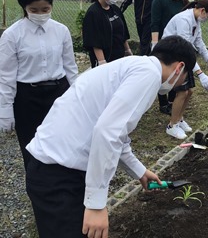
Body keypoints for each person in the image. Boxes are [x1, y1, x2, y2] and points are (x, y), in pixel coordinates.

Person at [25, 35, 196, 238]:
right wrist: (96, 205)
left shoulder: (136, 66)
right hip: (58, 176)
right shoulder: (149, 75)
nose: (178, 85)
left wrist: (139, 171)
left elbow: (116, 133)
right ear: (179, 67)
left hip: (53, 168)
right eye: (184, 78)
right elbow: (107, 133)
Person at [0, 0, 78, 168]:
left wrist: (78, 95)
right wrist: (5, 109)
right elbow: (6, 75)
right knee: (31, 146)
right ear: (25, 8)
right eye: (34, 10)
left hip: (58, 93)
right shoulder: (12, 35)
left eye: (45, 9)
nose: (41, 14)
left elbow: (70, 67)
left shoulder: (61, 31)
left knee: (61, 143)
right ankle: (38, 190)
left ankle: (62, 186)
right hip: (27, 97)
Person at [161, 0, 208, 139]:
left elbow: (199, 41)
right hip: (171, 57)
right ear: (203, 11)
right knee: (182, 92)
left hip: (182, 57)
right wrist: (200, 73)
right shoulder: (184, 20)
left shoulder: (195, 20)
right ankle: (172, 125)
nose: (207, 18)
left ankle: (179, 119)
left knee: (189, 92)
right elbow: (184, 49)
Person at [150, 0, 190, 115]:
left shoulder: (183, 2)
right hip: (163, 43)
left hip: (177, 44)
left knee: (176, 72)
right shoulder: (160, 0)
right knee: (163, 72)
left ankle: (173, 101)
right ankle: (163, 103)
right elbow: (154, 23)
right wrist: (155, 43)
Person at [83, 0, 132, 68]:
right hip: (105, 59)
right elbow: (94, 41)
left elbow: (123, 31)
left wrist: (127, 50)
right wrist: (102, 62)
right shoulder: (93, 13)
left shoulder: (115, 9)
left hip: (119, 57)